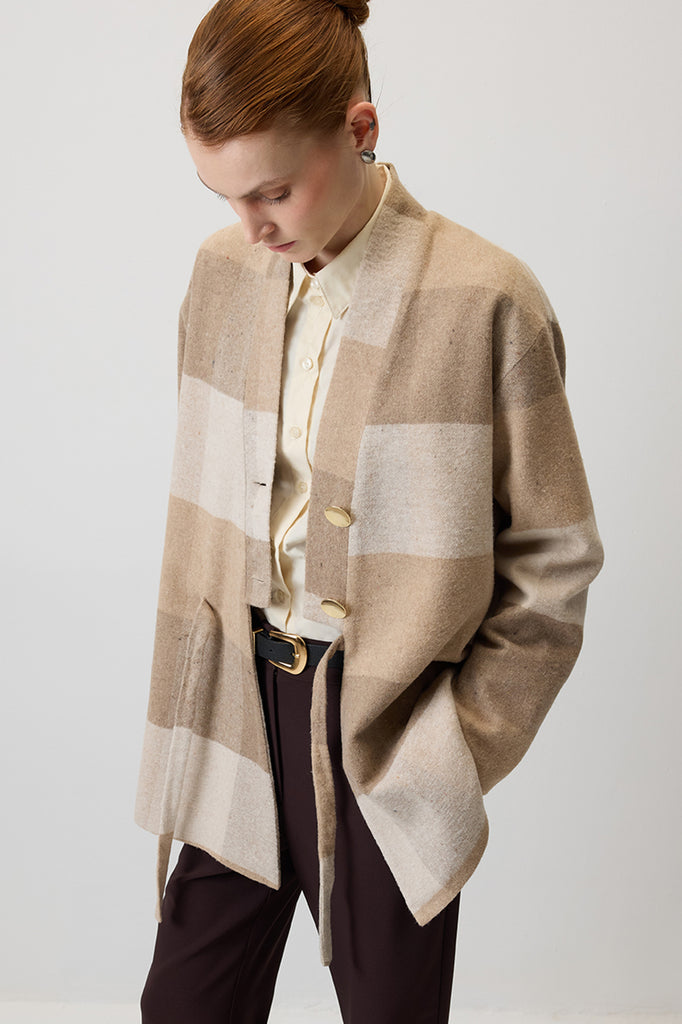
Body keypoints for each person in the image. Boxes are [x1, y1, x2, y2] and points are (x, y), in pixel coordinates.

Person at [136, 0, 604, 1021]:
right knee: (183, 1005)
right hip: (232, 701)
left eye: (273, 191)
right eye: (224, 195)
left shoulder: (487, 301)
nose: (252, 227)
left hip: (382, 730)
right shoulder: (223, 274)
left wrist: (454, 748)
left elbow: (554, 560)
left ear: (359, 128)